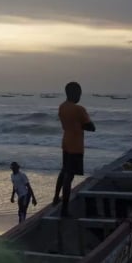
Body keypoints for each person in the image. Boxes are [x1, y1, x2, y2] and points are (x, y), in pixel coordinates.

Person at [53, 82, 95, 217]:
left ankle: (55, 198)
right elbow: (91, 127)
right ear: (74, 94)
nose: (80, 96)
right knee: (69, 177)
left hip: (66, 142)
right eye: (79, 94)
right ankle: (65, 209)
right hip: (76, 145)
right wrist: (84, 124)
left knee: (64, 170)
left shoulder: (62, 107)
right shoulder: (79, 109)